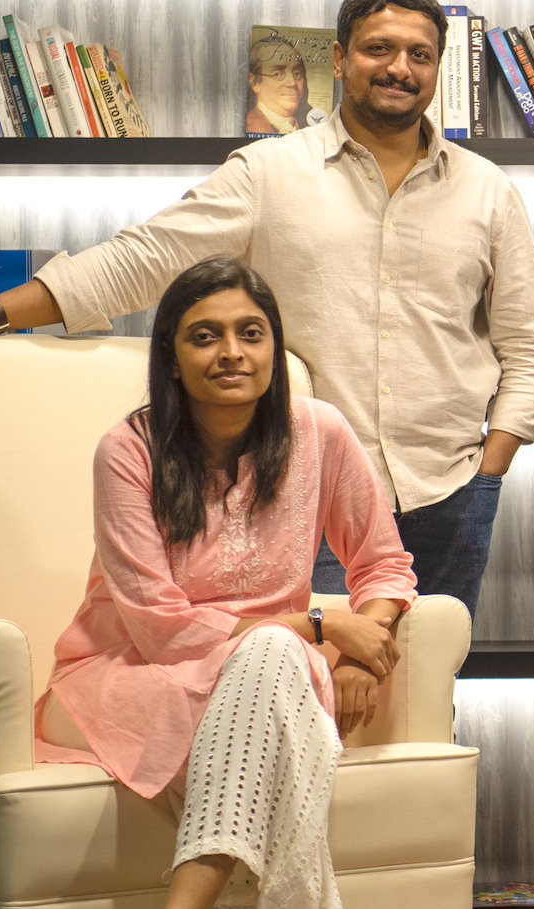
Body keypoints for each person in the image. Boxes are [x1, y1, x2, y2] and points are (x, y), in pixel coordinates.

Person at [0, 0, 534, 617]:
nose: (399, 68)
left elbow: (530, 345)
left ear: (437, 67)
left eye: (420, 54)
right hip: (304, 490)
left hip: (451, 492)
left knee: (427, 680)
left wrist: (490, 466)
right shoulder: (268, 173)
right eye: (379, 48)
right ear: (339, 58)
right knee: (310, 676)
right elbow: (142, 259)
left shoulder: (488, 191)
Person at [35, 256, 418, 909]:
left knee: (270, 656)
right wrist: (319, 625)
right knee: (274, 655)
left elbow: (383, 563)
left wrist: (362, 649)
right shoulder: (129, 450)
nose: (232, 352)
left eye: (251, 332)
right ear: (171, 357)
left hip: (272, 673)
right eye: (205, 336)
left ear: (274, 347)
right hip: (132, 675)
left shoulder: (319, 431)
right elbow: (160, 628)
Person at [245, 30, 315, 135]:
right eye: (277, 74)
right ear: (255, 83)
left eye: (297, 73)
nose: (292, 82)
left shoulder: (311, 128)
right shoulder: (248, 125)